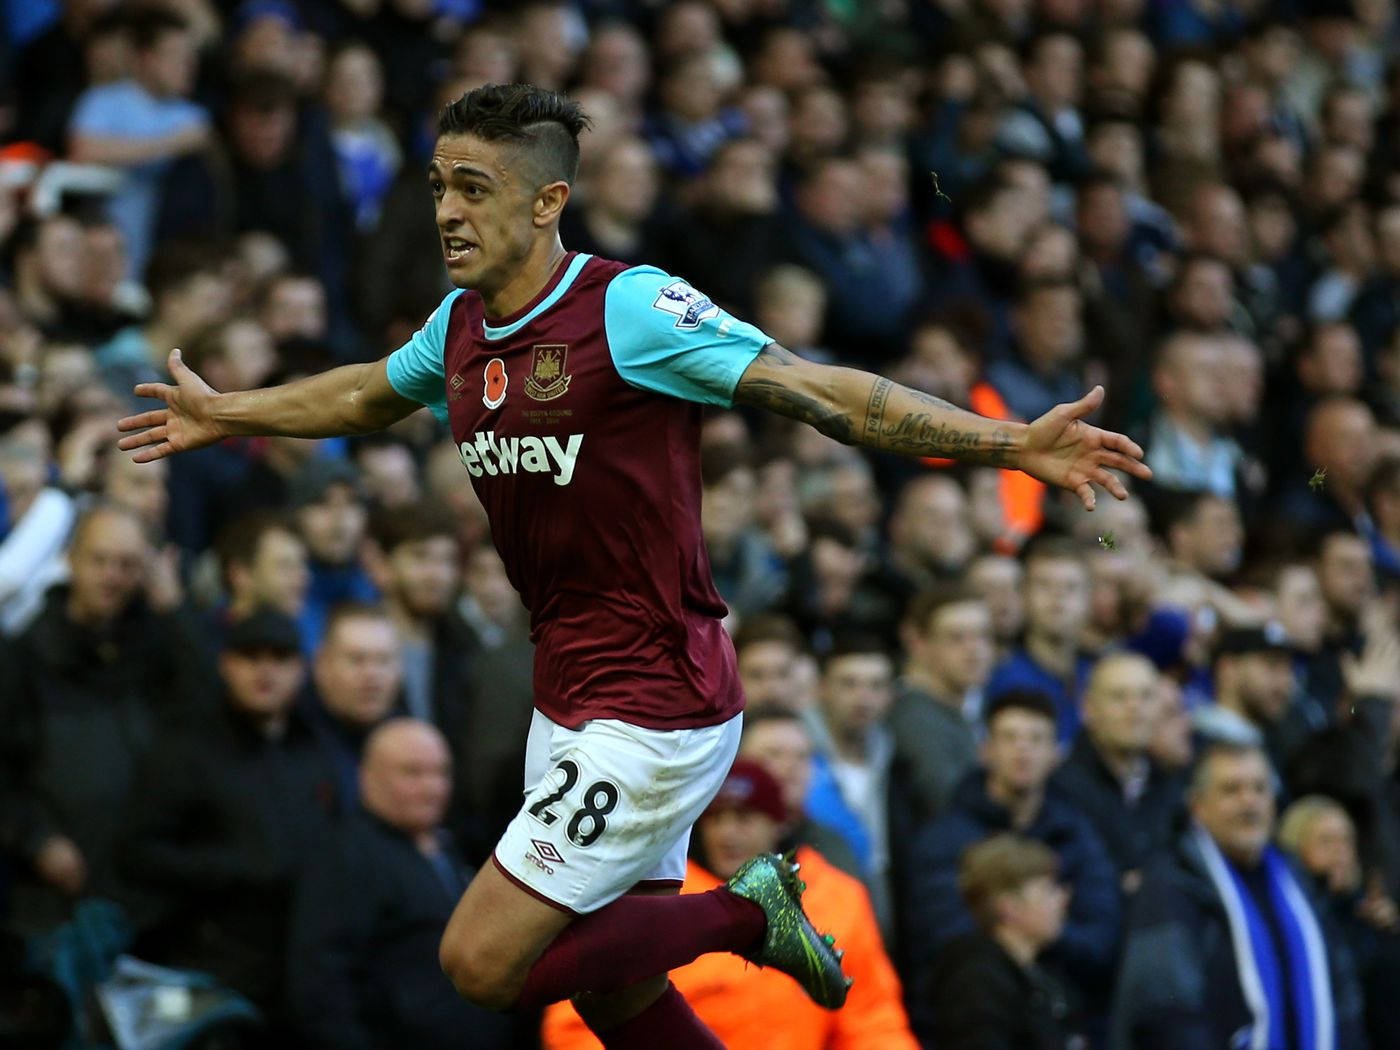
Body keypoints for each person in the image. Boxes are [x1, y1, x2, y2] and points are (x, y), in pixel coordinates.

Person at [117, 83, 1149, 1045]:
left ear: (545, 202)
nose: (446, 211)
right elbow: (361, 395)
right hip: (566, 692)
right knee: (614, 990)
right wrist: (226, 412)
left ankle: (745, 914)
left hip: (659, 697)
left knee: (479, 962)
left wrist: (1007, 442)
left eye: (473, 189)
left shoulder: (631, 310)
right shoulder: (461, 325)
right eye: (437, 187)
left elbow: (817, 392)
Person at [540, 760, 919, 1050]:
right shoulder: (651, 896)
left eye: (744, 817)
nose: (727, 833)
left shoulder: (838, 895)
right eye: (715, 818)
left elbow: (872, 1019)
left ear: (778, 823)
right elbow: (575, 1028)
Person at [117, 609, 340, 1042]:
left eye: (279, 657)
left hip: (302, 968)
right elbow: (136, 852)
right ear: (225, 664)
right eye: (250, 655)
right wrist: (234, 867)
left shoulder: (314, 747)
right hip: (214, 968)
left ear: (302, 668)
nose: (265, 669)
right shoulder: (185, 748)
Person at [1112, 742, 1369, 1049]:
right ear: (1198, 805)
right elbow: (1165, 1012)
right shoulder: (1173, 883)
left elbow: (1342, 996)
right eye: (1231, 790)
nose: (1250, 803)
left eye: (1260, 789)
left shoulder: (1296, 881)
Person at [287, 719, 514, 1050]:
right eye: (412, 773)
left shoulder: (449, 850)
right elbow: (321, 986)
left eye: (441, 773)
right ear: (366, 777)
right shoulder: (344, 857)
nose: (432, 787)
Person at [901, 690, 1120, 1005]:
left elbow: (1102, 941)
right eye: (1010, 737)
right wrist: (1038, 928)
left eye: (1036, 739)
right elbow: (943, 939)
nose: (1023, 749)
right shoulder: (943, 839)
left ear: (1056, 754)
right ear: (985, 751)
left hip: (1062, 1008)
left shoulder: (1078, 834)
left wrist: (1045, 934)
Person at [922, 834, 1083, 1050]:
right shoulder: (976, 983)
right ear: (1009, 907)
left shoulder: (1040, 975)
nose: (1062, 899)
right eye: (1047, 890)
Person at [1050, 652, 1183, 893]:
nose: (1135, 708)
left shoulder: (1172, 784)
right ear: (1088, 708)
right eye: (1119, 697)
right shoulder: (1060, 788)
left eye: (1146, 696)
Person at [890, 585, 993, 822]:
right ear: (918, 643)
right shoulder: (913, 720)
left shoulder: (977, 705)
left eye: (983, 636)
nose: (974, 650)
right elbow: (949, 804)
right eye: (956, 638)